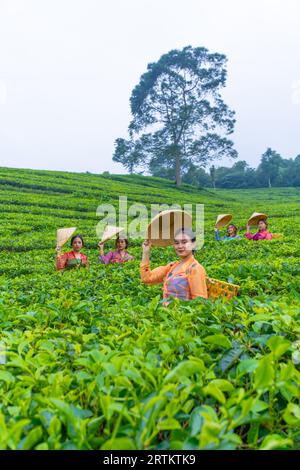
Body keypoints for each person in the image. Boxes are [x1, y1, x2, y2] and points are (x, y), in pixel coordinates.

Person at [140, 228, 208, 304]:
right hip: (166, 314)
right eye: (176, 243)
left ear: (193, 244)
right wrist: (146, 252)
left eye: (184, 242)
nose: (180, 246)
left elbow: (200, 302)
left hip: (181, 315)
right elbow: (147, 278)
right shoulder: (172, 266)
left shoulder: (195, 268)